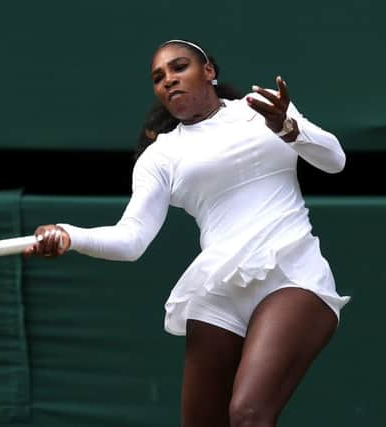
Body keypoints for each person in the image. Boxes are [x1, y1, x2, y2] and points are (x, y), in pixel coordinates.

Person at [24, 39, 350, 427]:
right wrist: (69, 235)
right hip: (217, 292)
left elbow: (335, 161)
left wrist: (287, 127)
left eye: (179, 68)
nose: (169, 80)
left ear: (209, 71)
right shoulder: (159, 157)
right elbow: (131, 240)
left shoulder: (262, 109)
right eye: (159, 77)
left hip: (292, 273)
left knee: (247, 414)